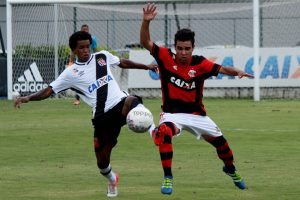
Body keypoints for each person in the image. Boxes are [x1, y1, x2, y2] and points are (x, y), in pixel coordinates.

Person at [14, 31, 157, 198]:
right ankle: (112, 179)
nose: (86, 50)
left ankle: (154, 131)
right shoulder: (70, 73)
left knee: (132, 100)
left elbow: (122, 62)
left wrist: (146, 66)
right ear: (74, 50)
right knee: (102, 162)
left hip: (119, 104)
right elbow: (48, 91)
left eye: (88, 46)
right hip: (102, 118)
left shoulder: (102, 57)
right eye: (81, 48)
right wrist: (28, 98)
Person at [140, 3, 254, 195]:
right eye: (180, 48)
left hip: (197, 115)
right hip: (172, 114)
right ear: (174, 47)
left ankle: (231, 170)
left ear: (193, 47)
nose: (183, 53)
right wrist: (145, 22)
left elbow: (223, 69)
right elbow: (146, 42)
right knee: (165, 131)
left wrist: (239, 72)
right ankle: (168, 177)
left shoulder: (200, 63)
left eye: (187, 48)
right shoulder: (166, 57)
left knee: (223, 146)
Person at [69, 24, 98, 105]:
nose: (85, 31)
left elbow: (95, 49)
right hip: (80, 64)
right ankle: (77, 99)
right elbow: (73, 52)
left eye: (86, 30)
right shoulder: (77, 40)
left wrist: (97, 59)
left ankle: (94, 97)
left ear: (88, 30)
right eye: (83, 30)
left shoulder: (92, 39)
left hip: (91, 63)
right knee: (78, 80)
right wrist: (70, 62)